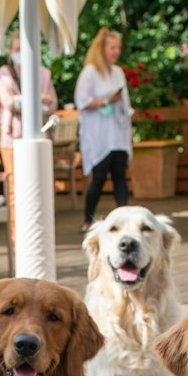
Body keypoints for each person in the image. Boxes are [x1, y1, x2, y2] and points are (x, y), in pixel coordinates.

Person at [75, 28, 133, 231]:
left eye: (118, 47)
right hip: (98, 133)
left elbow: (125, 103)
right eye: (112, 47)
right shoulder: (90, 72)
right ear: (102, 49)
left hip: (117, 132)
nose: (116, 52)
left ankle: (125, 217)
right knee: (99, 176)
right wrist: (107, 100)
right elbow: (81, 101)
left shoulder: (118, 72)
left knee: (120, 175)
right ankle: (88, 218)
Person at [0, 28, 58, 154]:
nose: (21, 53)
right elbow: (8, 102)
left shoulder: (43, 73)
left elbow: (52, 103)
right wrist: (38, 99)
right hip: (12, 136)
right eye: (17, 50)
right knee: (13, 173)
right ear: (10, 52)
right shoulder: (4, 75)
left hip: (39, 133)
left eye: (23, 49)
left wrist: (21, 100)